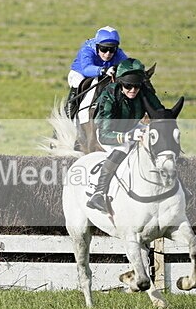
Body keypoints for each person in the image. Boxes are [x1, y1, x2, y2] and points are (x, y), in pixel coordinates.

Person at [86, 58, 163, 213]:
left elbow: (159, 112)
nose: (133, 90)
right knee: (123, 147)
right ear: (120, 83)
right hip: (109, 133)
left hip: (133, 126)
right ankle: (98, 193)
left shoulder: (143, 92)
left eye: (136, 86)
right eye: (128, 86)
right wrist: (128, 136)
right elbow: (106, 133)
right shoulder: (109, 95)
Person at [66, 26, 129, 120]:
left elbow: (128, 65)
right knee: (77, 83)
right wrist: (103, 70)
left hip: (104, 75)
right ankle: (69, 112)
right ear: (97, 46)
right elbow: (86, 69)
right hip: (81, 74)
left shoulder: (118, 53)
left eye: (112, 50)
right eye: (104, 49)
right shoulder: (87, 50)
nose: (108, 54)